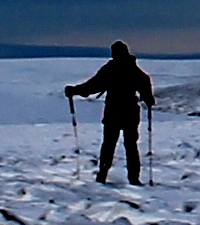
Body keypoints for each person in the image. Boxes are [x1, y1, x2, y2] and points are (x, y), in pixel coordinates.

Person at [66, 42, 157, 184]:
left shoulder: (110, 69)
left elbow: (93, 85)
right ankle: (134, 178)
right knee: (131, 145)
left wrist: (75, 90)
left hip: (113, 111)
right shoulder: (134, 70)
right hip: (130, 112)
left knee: (109, 144)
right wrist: (148, 99)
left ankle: (102, 175)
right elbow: (146, 87)